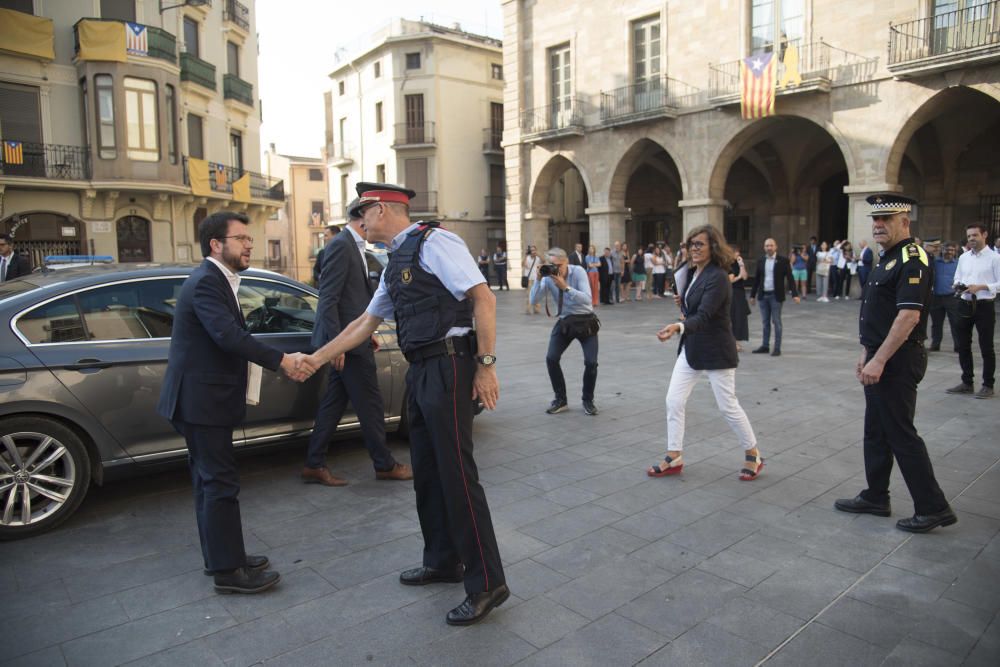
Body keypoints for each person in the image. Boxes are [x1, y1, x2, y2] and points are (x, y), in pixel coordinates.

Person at [306, 182, 508, 625]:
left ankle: (487, 583)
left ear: (380, 209)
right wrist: (318, 357)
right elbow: (366, 321)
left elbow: (484, 298)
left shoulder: (437, 243)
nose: (358, 222)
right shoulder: (395, 259)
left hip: (450, 366)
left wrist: (486, 365)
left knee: (457, 475)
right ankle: (442, 560)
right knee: (428, 475)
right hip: (420, 370)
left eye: (361, 211)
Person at [157, 211, 314, 594]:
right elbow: (228, 336)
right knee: (219, 483)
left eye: (249, 238)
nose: (250, 244)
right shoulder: (208, 282)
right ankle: (230, 573)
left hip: (200, 401)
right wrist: (283, 361)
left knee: (209, 483)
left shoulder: (215, 279)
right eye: (241, 238)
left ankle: (224, 557)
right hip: (201, 402)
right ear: (216, 244)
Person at [835, 193, 957, 533]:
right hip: (879, 356)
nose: (878, 225)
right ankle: (876, 496)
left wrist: (880, 360)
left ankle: (933, 507)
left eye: (886, 219)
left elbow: (907, 317)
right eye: (875, 220)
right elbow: (876, 313)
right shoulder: (885, 257)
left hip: (898, 359)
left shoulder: (912, 258)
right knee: (876, 430)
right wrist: (866, 354)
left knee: (901, 433)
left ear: (905, 221)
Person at [302, 199, 413, 487]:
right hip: (346, 346)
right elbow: (327, 299)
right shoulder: (341, 245)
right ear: (362, 218)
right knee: (371, 403)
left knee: (334, 404)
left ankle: (314, 464)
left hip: (352, 340)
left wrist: (366, 332)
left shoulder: (353, 245)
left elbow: (351, 301)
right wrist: (335, 344)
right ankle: (385, 464)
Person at [647, 225, 762, 481]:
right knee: (673, 401)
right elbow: (693, 309)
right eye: (690, 244)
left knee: (727, 406)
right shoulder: (690, 272)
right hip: (691, 347)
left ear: (713, 247)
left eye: (699, 244)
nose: (694, 249)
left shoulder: (718, 277)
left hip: (716, 349)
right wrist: (684, 304)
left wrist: (678, 326)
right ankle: (674, 455)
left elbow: (706, 315)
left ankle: (753, 453)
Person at [530, 247, 599, 415]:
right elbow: (533, 300)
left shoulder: (578, 272)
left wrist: (566, 287)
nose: (556, 269)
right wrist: (538, 280)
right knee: (551, 358)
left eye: (559, 265)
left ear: (566, 262)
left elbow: (587, 299)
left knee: (591, 363)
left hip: (585, 321)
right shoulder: (548, 277)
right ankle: (560, 399)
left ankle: (588, 400)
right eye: (552, 265)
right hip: (565, 322)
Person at [947, 223, 1000, 398]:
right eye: (969, 236)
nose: (971, 239)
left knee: (986, 347)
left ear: (984, 235)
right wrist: (957, 285)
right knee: (962, 345)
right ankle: (967, 382)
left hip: (984, 305)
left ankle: (988, 384)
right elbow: (958, 276)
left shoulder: (994, 258)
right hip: (964, 303)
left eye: (975, 235)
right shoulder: (964, 257)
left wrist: (982, 286)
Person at [750, 238, 800, 356]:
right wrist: (752, 295)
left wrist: (795, 294)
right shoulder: (761, 261)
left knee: (776, 321)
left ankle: (777, 348)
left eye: (771, 245)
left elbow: (790, 278)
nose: (769, 248)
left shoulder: (783, 261)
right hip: (763, 295)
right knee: (765, 322)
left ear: (776, 247)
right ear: (764, 248)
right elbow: (757, 279)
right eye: (767, 246)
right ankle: (765, 345)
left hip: (775, 296)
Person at [929, 241, 960, 352]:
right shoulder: (935, 262)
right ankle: (935, 344)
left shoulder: (958, 263)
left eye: (952, 250)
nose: (949, 252)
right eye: (947, 249)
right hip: (936, 297)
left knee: (955, 323)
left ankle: (958, 345)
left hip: (951, 297)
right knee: (936, 323)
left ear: (955, 252)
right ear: (942, 250)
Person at [730, 245, 750, 352]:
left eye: (739, 253)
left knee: (739, 317)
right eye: (736, 253)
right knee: (732, 316)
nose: (738, 255)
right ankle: (732, 342)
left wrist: (742, 265)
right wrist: (739, 277)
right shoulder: (728, 265)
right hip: (732, 292)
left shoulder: (739, 264)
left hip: (740, 293)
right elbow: (730, 280)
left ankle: (736, 341)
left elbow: (745, 276)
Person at [523, 245, 542, 314]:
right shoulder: (527, 258)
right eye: (531, 250)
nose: (533, 252)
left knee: (536, 293)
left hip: (536, 278)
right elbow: (523, 264)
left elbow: (544, 261)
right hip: (529, 279)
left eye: (534, 250)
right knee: (529, 294)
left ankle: (536, 309)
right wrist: (525, 255)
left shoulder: (538, 258)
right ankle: (528, 309)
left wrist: (538, 254)